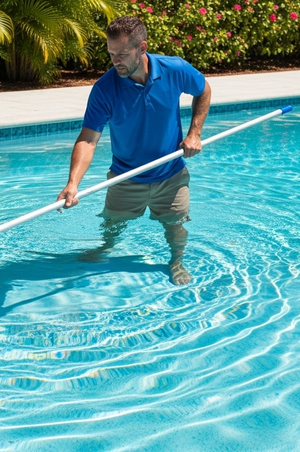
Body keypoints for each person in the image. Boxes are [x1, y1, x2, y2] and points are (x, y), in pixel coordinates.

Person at [56, 16, 211, 285]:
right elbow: (88, 139)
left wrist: (194, 133)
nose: (116, 60)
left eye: (123, 54)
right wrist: (72, 183)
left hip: (171, 174)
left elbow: (203, 89)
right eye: (111, 53)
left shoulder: (174, 69)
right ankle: (106, 248)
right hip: (125, 176)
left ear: (142, 48)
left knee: (174, 225)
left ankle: (176, 261)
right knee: (112, 224)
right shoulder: (105, 89)